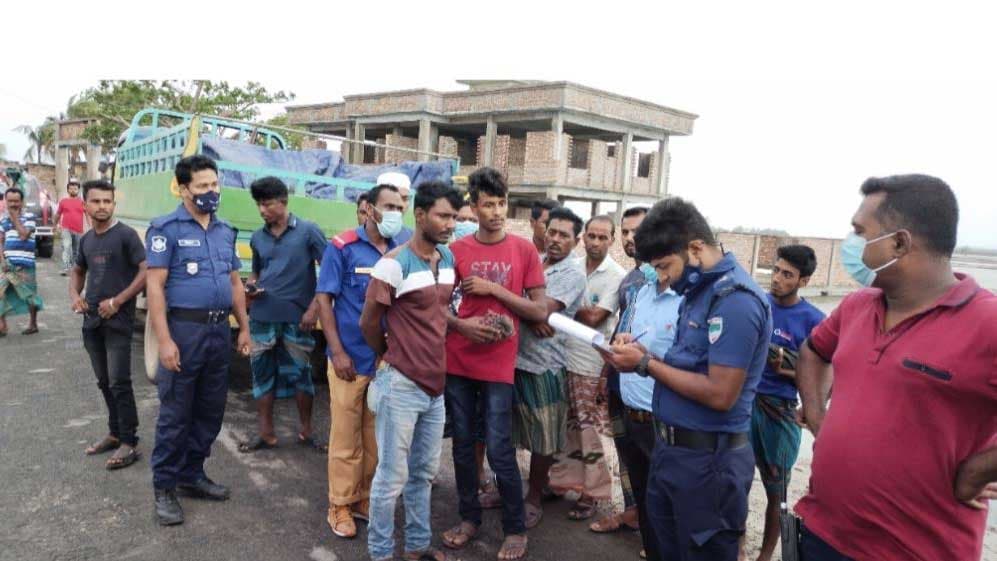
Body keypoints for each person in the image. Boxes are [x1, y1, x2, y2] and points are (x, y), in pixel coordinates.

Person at [794, 175, 997, 561]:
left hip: (914, 551)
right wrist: (820, 417)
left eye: (859, 232)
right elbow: (813, 351)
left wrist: (976, 473)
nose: (850, 244)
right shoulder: (857, 305)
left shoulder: (987, 322)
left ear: (899, 243)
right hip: (824, 533)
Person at [602, 197, 771, 561]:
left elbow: (720, 392)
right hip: (671, 453)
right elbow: (688, 367)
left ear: (695, 248)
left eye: (665, 267)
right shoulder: (696, 294)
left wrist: (646, 363)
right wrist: (641, 354)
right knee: (663, 547)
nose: (662, 278)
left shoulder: (734, 301)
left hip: (709, 464)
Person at [441, 167, 546, 560]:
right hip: (459, 360)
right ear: (474, 207)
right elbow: (437, 307)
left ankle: (515, 528)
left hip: (500, 364)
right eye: (489, 204)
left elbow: (538, 310)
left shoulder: (524, 250)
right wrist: (461, 325)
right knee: (464, 446)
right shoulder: (457, 251)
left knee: (501, 448)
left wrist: (494, 289)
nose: (498, 211)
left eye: (502, 203)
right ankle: (469, 518)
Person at [145, 155, 251, 526]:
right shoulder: (165, 229)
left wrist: (245, 328)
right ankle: (165, 487)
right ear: (184, 188)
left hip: (219, 333)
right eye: (203, 186)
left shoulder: (226, 231)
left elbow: (235, 283)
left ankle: (192, 474)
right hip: (184, 332)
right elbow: (155, 287)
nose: (211, 191)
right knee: (176, 414)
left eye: (215, 184)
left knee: (210, 411)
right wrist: (164, 341)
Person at [359, 180, 461, 561]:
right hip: (400, 384)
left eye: (454, 216)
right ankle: (382, 553)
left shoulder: (446, 261)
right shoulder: (393, 264)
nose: (450, 224)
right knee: (390, 479)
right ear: (420, 216)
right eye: (443, 216)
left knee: (423, 475)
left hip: (435, 388)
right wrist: (392, 357)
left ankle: (417, 546)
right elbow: (369, 323)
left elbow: (439, 315)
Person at [317, 182, 406, 538]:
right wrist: (337, 352)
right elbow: (325, 301)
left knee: (376, 437)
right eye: (389, 206)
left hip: (387, 362)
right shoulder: (343, 247)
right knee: (345, 436)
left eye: (400, 207)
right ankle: (339, 503)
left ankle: (363, 498)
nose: (395, 214)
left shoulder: (405, 248)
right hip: (349, 359)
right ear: (369, 208)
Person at [746, 244, 825, 561]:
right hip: (745, 403)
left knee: (776, 492)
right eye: (776, 270)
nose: (777, 279)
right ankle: (735, 547)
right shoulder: (758, 305)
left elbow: (824, 381)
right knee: (735, 481)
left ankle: (765, 555)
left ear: (803, 281)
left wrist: (790, 369)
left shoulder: (814, 321)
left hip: (780, 414)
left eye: (787, 274)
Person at [238, 177, 327, 453]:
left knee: (301, 375)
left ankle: (307, 432)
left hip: (298, 318)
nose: (262, 210)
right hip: (262, 317)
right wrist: (250, 287)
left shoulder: (309, 231)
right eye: (258, 205)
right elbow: (256, 271)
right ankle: (265, 433)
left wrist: (314, 308)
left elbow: (329, 272)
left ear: (283, 202)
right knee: (262, 376)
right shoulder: (257, 237)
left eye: (267, 204)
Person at [513, 206, 586, 529]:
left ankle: (533, 498)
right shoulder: (533, 259)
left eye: (564, 235)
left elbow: (541, 309)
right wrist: (531, 314)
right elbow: (530, 309)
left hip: (544, 365)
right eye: (551, 231)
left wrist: (535, 312)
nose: (555, 239)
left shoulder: (572, 273)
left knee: (543, 437)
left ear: (576, 241)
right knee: (507, 431)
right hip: (511, 360)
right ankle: (510, 488)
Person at [549, 215, 626, 520]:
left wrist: (559, 303)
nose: (595, 242)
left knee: (588, 430)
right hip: (560, 356)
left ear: (612, 240)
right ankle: (560, 482)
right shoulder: (572, 266)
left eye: (602, 237)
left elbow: (595, 318)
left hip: (589, 363)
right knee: (562, 427)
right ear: (583, 238)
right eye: (591, 236)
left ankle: (591, 493)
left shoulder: (616, 275)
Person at [68, 180, 147, 470]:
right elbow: (78, 270)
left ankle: (130, 441)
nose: (102, 206)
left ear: (114, 204)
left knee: (119, 382)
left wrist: (118, 300)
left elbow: (145, 269)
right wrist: (76, 295)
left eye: (107, 201)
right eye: (96, 201)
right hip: (91, 322)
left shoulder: (126, 235)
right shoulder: (87, 240)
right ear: (85, 205)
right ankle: (115, 433)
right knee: (104, 382)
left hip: (119, 322)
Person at [590, 206, 653, 535]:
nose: (630, 239)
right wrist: (604, 374)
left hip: (646, 381)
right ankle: (633, 513)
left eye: (637, 231)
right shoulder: (630, 279)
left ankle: (654, 529)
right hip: (618, 378)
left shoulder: (666, 278)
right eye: (625, 232)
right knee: (625, 449)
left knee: (650, 456)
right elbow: (620, 330)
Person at [615, 263, 682, 561]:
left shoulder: (687, 301)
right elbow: (634, 337)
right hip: (632, 415)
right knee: (645, 504)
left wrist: (645, 359)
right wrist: (626, 342)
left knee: (670, 509)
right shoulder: (642, 291)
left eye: (660, 260)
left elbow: (687, 366)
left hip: (663, 421)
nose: (652, 267)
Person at [0, 186, 43, 336]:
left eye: (16, 201)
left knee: (29, 295)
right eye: (10, 201)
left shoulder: (30, 217)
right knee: (1, 292)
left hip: (25, 264)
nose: (13, 204)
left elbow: (24, 235)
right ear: (5, 201)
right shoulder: (3, 219)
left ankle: (33, 324)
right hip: (6, 265)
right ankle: (2, 325)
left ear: (21, 201)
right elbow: (0, 241)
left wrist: (15, 218)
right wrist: (2, 260)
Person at [55, 178, 87, 276]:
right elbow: (58, 214)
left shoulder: (82, 202)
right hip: (66, 228)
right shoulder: (63, 201)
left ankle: (75, 268)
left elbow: (88, 215)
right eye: (71, 188)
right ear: (68, 190)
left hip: (78, 229)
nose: (73, 190)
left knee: (76, 250)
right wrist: (54, 224)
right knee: (66, 247)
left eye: (75, 188)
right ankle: (66, 268)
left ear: (78, 190)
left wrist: (90, 227)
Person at [377, 171, 413, 244]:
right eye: (394, 198)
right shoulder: (355, 239)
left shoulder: (413, 239)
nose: (400, 204)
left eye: (405, 198)